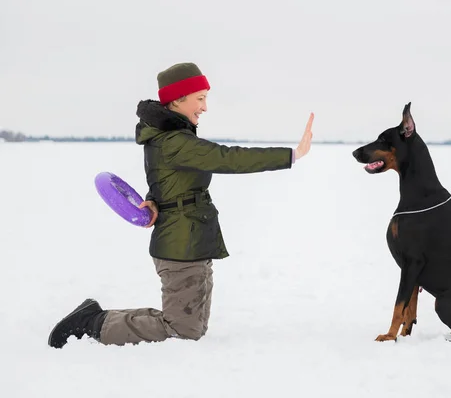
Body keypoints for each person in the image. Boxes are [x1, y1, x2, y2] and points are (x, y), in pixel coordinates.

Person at [48, 62, 314, 348]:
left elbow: (167, 178)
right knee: (183, 329)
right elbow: (227, 157)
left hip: (191, 237)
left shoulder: (172, 138)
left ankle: (96, 317)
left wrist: (153, 200)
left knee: (189, 325)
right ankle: (91, 324)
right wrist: (292, 154)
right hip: (181, 242)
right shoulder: (175, 141)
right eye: (200, 98)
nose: (205, 107)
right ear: (177, 99)